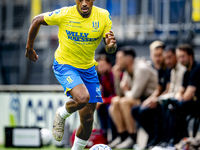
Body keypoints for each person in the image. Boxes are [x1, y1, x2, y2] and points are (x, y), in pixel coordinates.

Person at [25, 1, 117, 150]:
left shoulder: (103, 16)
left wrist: (111, 46)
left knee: (87, 120)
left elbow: (110, 47)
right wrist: (29, 47)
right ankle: (61, 113)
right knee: (82, 98)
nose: (85, 3)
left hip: (88, 69)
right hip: (65, 65)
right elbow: (36, 20)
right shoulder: (65, 14)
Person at [132, 46, 186, 148]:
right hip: (167, 99)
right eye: (156, 56)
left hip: (177, 101)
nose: (164, 60)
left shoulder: (176, 69)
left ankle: (166, 140)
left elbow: (173, 91)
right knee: (138, 110)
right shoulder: (167, 70)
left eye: (168, 57)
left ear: (176, 57)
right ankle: (156, 138)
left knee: (162, 108)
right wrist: (152, 99)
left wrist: (157, 100)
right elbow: (162, 90)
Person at [108, 46, 157, 149]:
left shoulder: (141, 68)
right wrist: (117, 77)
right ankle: (122, 136)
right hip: (139, 98)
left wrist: (125, 90)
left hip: (150, 98)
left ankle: (132, 137)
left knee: (124, 102)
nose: (117, 61)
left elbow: (135, 94)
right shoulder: (126, 71)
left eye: (119, 58)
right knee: (115, 101)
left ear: (128, 59)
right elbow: (119, 94)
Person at [96, 54, 118, 142]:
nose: (100, 69)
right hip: (108, 102)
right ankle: (103, 136)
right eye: (98, 67)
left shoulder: (115, 75)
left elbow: (117, 94)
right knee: (100, 108)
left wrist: (104, 100)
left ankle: (115, 136)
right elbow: (103, 93)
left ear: (109, 64)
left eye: (102, 66)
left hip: (115, 102)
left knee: (109, 108)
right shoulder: (103, 77)